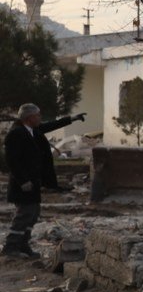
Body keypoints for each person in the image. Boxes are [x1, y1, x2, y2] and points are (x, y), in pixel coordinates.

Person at [4, 103, 86, 259]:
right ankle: (11, 247)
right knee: (24, 214)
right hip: (22, 184)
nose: (40, 118)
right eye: (38, 115)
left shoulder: (32, 130)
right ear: (29, 118)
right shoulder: (16, 133)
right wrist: (23, 181)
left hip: (33, 182)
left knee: (33, 214)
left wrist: (71, 119)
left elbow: (51, 125)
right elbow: (12, 161)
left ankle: (23, 244)